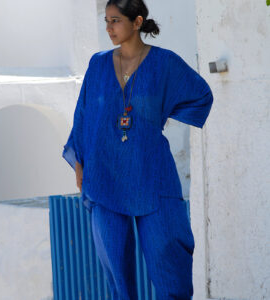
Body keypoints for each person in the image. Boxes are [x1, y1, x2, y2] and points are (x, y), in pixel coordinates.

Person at [62, 0, 213, 299]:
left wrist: (160, 114)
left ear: (137, 22)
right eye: (106, 21)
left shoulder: (164, 64)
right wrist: (79, 161)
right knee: (115, 267)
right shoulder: (98, 64)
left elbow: (201, 96)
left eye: (115, 20)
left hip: (151, 173)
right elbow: (83, 113)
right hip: (104, 175)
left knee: (169, 257)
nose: (108, 28)